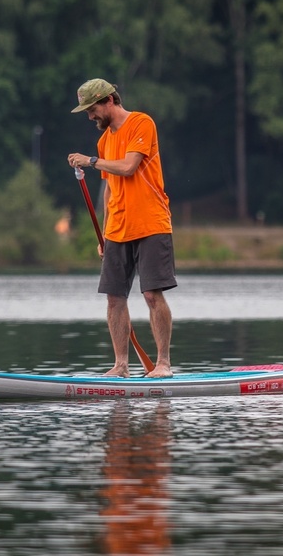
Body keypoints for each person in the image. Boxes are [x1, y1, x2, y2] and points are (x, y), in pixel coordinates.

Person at [67, 78, 176, 378]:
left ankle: (163, 364)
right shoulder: (104, 141)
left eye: (92, 109)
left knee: (152, 294)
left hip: (150, 222)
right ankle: (121, 365)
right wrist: (104, 234)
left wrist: (91, 161)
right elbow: (109, 190)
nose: (90, 116)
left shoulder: (141, 123)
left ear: (109, 100)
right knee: (114, 298)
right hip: (117, 229)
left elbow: (128, 168)